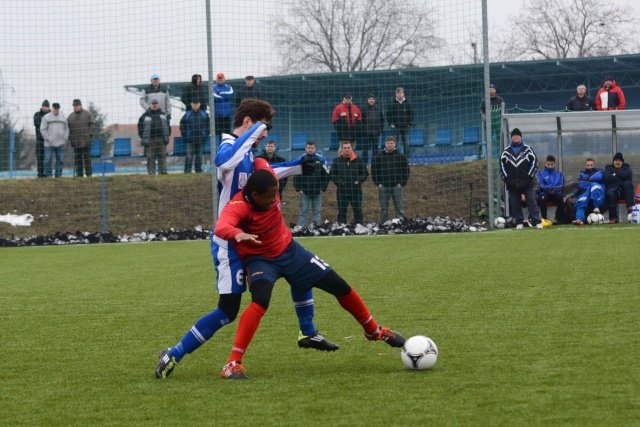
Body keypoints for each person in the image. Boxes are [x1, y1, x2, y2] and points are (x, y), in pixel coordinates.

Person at [155, 99, 336, 380]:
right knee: (227, 310)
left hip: (249, 241)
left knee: (295, 270)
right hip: (228, 244)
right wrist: (254, 131)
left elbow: (267, 174)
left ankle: (308, 332)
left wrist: (300, 166)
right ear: (249, 122)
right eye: (264, 127)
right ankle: (173, 353)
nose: (266, 134)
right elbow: (224, 162)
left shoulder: (249, 153)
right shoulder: (229, 146)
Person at [215, 165, 406, 379]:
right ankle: (232, 363)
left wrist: (259, 152)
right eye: (269, 197)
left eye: (276, 194)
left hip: (290, 251)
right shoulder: (238, 206)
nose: (274, 199)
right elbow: (221, 226)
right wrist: (237, 233)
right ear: (255, 195)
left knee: (340, 286)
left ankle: (373, 330)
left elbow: (259, 160)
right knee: (260, 301)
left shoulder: (265, 174)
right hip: (261, 260)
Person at [499, 128, 543, 229]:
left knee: (531, 201)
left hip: (527, 182)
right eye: (513, 135)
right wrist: (507, 179)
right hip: (512, 183)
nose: (515, 137)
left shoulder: (528, 149)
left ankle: (536, 221)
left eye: (517, 135)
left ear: (521, 137)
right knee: (515, 203)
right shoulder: (506, 152)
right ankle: (519, 222)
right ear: (511, 138)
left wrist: (529, 176)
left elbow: (534, 163)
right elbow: (502, 167)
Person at [371, 136, 410, 223]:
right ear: (385, 144)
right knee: (384, 209)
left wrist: (401, 183)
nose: (389, 145)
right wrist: (378, 183)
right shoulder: (379, 156)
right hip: (383, 187)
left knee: (399, 208)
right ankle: (384, 224)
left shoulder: (400, 156)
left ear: (395, 144)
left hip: (397, 186)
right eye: (388, 143)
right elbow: (374, 171)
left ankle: (400, 224)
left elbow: (406, 170)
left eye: (391, 143)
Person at [330, 141, 368, 224]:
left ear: (352, 148)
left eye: (348, 147)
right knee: (342, 211)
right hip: (342, 190)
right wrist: (340, 182)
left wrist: (358, 180)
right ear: (342, 149)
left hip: (356, 190)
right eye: (345, 148)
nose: (347, 149)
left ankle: (359, 227)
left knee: (358, 211)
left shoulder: (359, 160)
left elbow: (365, 173)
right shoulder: (337, 161)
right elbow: (332, 174)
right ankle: (341, 228)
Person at [294, 141, 329, 227]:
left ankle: (316, 228)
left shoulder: (321, 159)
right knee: (303, 212)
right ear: (305, 148)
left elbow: (325, 175)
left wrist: (323, 187)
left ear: (315, 149)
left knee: (316, 211)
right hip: (305, 191)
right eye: (308, 148)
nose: (310, 149)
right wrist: (299, 188)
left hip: (317, 191)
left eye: (312, 148)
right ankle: (301, 228)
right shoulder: (301, 159)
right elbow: (297, 175)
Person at [138, 99, 170, 175]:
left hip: (161, 139)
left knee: (162, 156)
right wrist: (143, 137)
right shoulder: (145, 115)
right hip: (150, 139)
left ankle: (163, 171)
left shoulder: (163, 114)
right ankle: (151, 172)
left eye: (156, 103)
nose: (154, 105)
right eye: (153, 104)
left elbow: (168, 126)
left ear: (158, 105)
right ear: (150, 105)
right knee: (150, 157)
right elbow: (140, 127)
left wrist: (167, 135)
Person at [67, 99, 95, 178]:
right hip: (75, 141)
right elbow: (67, 128)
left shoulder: (87, 114)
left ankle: (89, 174)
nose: (76, 107)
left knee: (87, 158)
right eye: (74, 106)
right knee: (78, 158)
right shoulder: (70, 116)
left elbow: (92, 124)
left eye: (77, 105)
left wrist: (89, 134)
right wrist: (70, 137)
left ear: (80, 105)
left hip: (86, 141)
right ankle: (79, 174)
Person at [179, 100, 210, 173]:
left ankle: (198, 170)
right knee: (189, 156)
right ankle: (187, 171)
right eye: (194, 103)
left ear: (199, 104)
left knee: (199, 156)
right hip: (190, 139)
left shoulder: (204, 114)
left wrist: (205, 134)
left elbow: (209, 125)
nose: (195, 105)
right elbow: (182, 124)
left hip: (201, 138)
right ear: (191, 104)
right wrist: (185, 135)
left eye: (197, 103)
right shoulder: (187, 114)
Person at [40, 102, 69, 178]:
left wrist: (65, 138)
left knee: (60, 160)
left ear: (59, 108)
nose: (56, 110)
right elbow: (42, 129)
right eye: (55, 108)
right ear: (52, 108)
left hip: (60, 143)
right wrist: (48, 138)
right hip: (49, 143)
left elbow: (67, 129)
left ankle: (58, 175)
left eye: (57, 108)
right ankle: (48, 175)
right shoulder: (46, 117)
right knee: (47, 160)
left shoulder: (63, 117)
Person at [604, 152, 634, 224]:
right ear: (613, 161)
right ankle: (613, 218)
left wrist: (615, 173)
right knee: (610, 194)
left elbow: (628, 175)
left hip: (624, 192)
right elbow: (607, 178)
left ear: (622, 162)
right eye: (616, 160)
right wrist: (621, 177)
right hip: (613, 190)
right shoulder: (608, 168)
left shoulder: (627, 168)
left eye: (620, 161)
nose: (617, 162)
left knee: (627, 183)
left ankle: (630, 209)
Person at [573, 158, 605, 225]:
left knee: (594, 185)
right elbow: (581, 185)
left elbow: (599, 177)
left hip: (599, 195)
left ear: (594, 165)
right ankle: (579, 219)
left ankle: (596, 207)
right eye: (588, 165)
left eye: (591, 165)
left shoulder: (599, 172)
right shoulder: (582, 174)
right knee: (581, 201)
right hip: (587, 193)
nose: (590, 167)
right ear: (585, 166)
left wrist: (588, 180)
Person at [535, 155, 566, 223]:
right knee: (542, 197)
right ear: (545, 163)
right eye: (548, 164)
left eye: (552, 164)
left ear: (554, 164)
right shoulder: (540, 173)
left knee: (562, 197)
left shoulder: (559, 174)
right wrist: (548, 189)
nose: (550, 166)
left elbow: (561, 185)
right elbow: (540, 184)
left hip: (555, 193)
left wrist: (554, 190)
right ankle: (544, 219)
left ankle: (558, 218)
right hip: (545, 193)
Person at [387, 87, 413, 156]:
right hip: (395, 127)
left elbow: (411, 114)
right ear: (396, 94)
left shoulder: (408, 102)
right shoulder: (392, 103)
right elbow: (388, 114)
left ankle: (406, 159)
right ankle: (395, 158)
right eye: (398, 93)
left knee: (406, 143)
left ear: (403, 93)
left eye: (400, 93)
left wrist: (409, 124)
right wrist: (390, 123)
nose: (399, 94)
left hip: (405, 126)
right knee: (394, 143)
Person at [361, 94, 384, 165]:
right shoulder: (363, 109)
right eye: (370, 99)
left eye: (373, 99)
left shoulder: (378, 108)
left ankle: (375, 163)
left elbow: (382, 119)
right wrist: (363, 130)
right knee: (365, 148)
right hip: (366, 133)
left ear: (375, 100)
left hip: (376, 132)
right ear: (367, 100)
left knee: (375, 148)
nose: (371, 100)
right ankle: (364, 163)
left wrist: (380, 129)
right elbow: (360, 121)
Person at [33, 100, 50, 178]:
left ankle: (48, 173)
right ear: (41, 106)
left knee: (48, 158)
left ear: (48, 107)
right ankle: (40, 173)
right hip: (39, 140)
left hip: (49, 140)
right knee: (40, 157)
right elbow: (37, 123)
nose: (45, 108)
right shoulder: (37, 114)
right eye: (44, 106)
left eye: (46, 106)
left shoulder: (52, 115)